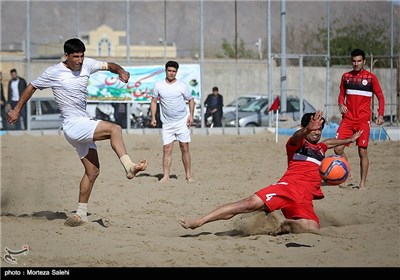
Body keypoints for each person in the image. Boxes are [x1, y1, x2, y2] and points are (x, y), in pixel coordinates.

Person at [7, 38, 148, 227]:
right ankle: (129, 166)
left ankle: (80, 214)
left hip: (83, 123)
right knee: (115, 129)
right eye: (76, 57)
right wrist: (17, 109)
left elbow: (110, 66)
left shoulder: (87, 64)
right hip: (73, 125)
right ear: (66, 56)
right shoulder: (54, 72)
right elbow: (32, 87)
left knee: (93, 171)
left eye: (82, 56)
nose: (80, 60)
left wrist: (121, 70)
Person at [180, 111, 362, 234]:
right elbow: (296, 136)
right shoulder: (296, 145)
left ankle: (284, 225)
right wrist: (307, 129)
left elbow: (330, 142)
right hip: (287, 187)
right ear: (305, 128)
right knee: (247, 204)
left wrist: (350, 139)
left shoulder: (321, 148)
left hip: (304, 197)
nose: (317, 133)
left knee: (312, 228)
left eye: (320, 130)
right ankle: (200, 221)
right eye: (314, 129)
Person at [334, 48, 385, 190]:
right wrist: (340, 103)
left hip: (363, 120)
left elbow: (380, 97)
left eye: (359, 61)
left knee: (362, 151)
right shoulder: (346, 77)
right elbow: (341, 94)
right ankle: (348, 174)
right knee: (338, 148)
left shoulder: (370, 78)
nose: (356, 64)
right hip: (348, 119)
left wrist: (380, 114)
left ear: (364, 61)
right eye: (354, 61)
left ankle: (362, 184)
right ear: (351, 61)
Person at [150, 60, 195, 183]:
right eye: (169, 71)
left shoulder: (182, 85)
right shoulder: (158, 85)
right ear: (166, 71)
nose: (171, 73)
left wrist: (191, 115)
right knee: (167, 149)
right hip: (167, 123)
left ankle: (188, 175)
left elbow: (191, 100)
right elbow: (154, 101)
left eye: (174, 71)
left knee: (184, 147)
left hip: (182, 121)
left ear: (176, 72)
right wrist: (153, 117)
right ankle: (166, 176)